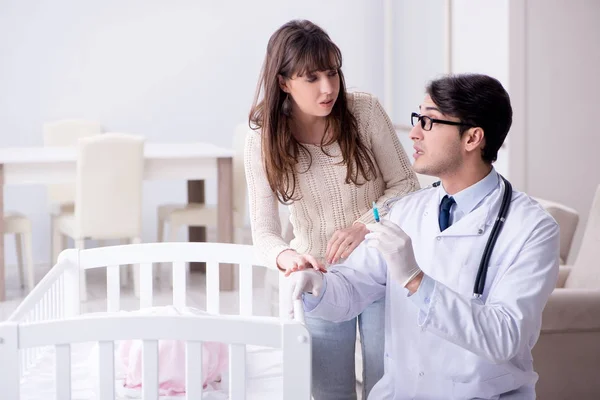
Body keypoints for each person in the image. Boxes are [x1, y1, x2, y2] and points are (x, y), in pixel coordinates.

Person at [289, 73, 560, 399]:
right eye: (418, 118)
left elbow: (504, 337)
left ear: (472, 138)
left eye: (429, 122)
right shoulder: (406, 211)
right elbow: (350, 290)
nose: (414, 133)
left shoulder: (533, 229)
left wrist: (415, 279)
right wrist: (317, 286)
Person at [245, 19, 419, 399]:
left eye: (332, 73)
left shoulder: (364, 111)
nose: (328, 88)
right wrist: (288, 256)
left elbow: (407, 186)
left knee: (387, 387)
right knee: (329, 392)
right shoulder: (263, 137)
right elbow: (263, 230)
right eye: (312, 78)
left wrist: (363, 226)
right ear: (284, 82)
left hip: (382, 270)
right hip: (320, 280)